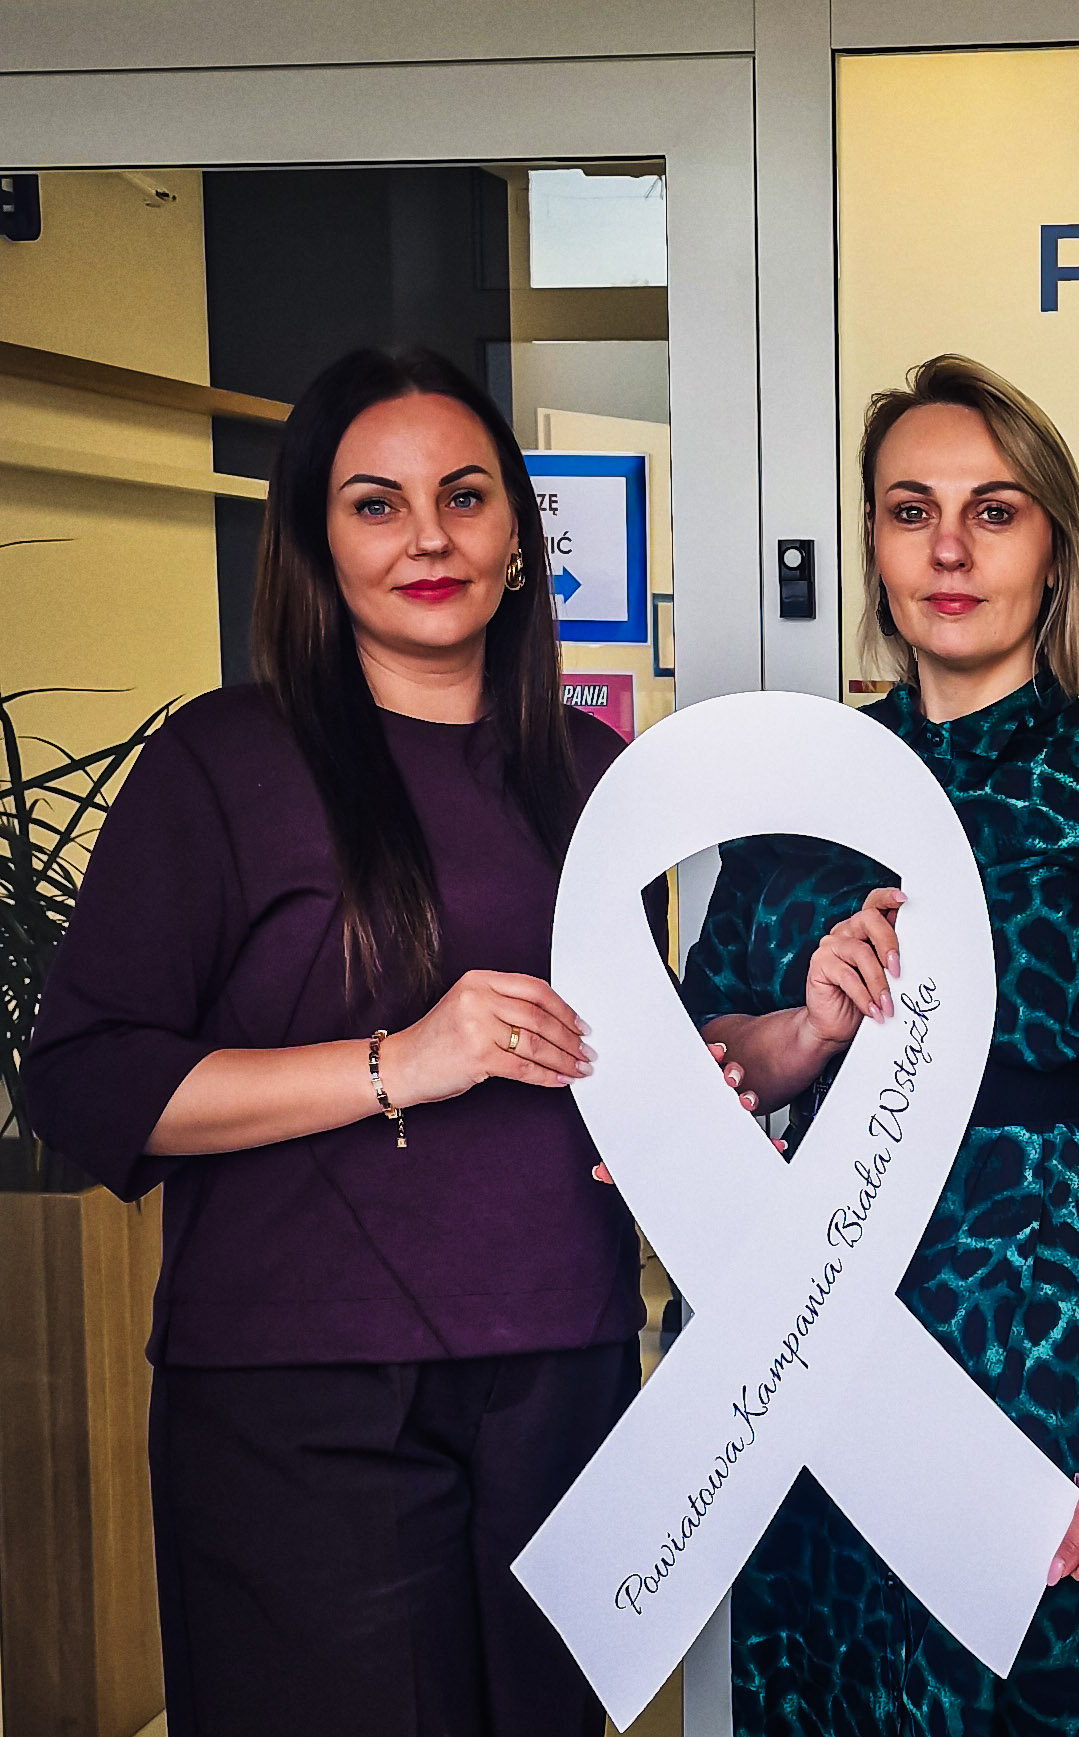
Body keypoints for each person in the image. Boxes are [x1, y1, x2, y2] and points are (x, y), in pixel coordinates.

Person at [22, 347, 651, 1737]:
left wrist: (750, 1052)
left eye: (465, 497)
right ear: (315, 541)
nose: (429, 537)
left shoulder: (592, 774)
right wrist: (399, 1061)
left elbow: (616, 1048)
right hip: (298, 1395)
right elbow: (82, 1075)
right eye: (377, 504)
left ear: (518, 536)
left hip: (566, 1365)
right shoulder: (221, 763)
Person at [682, 353, 1079, 1737]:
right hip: (816, 1342)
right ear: (873, 549)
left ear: (1054, 547)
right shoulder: (800, 790)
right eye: (909, 510)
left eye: (993, 511)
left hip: (1044, 1359)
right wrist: (809, 1025)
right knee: (827, 1697)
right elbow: (706, 1063)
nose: (948, 548)